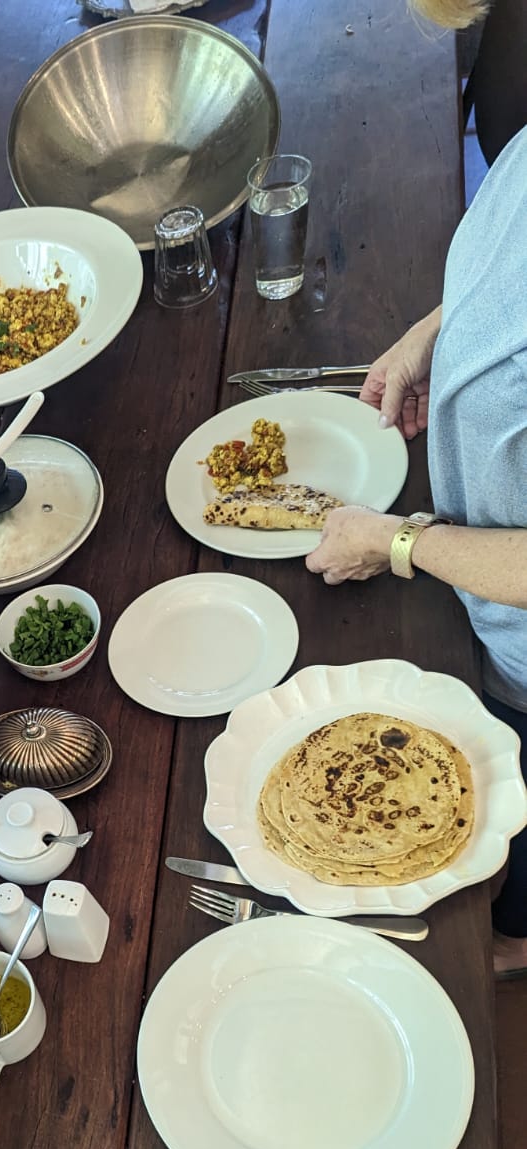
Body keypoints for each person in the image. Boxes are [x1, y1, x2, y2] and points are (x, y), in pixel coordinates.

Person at [305, 0, 527, 974]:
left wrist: (393, 542)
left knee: (489, 896)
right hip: (466, 576)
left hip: (512, 652)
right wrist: (438, 329)